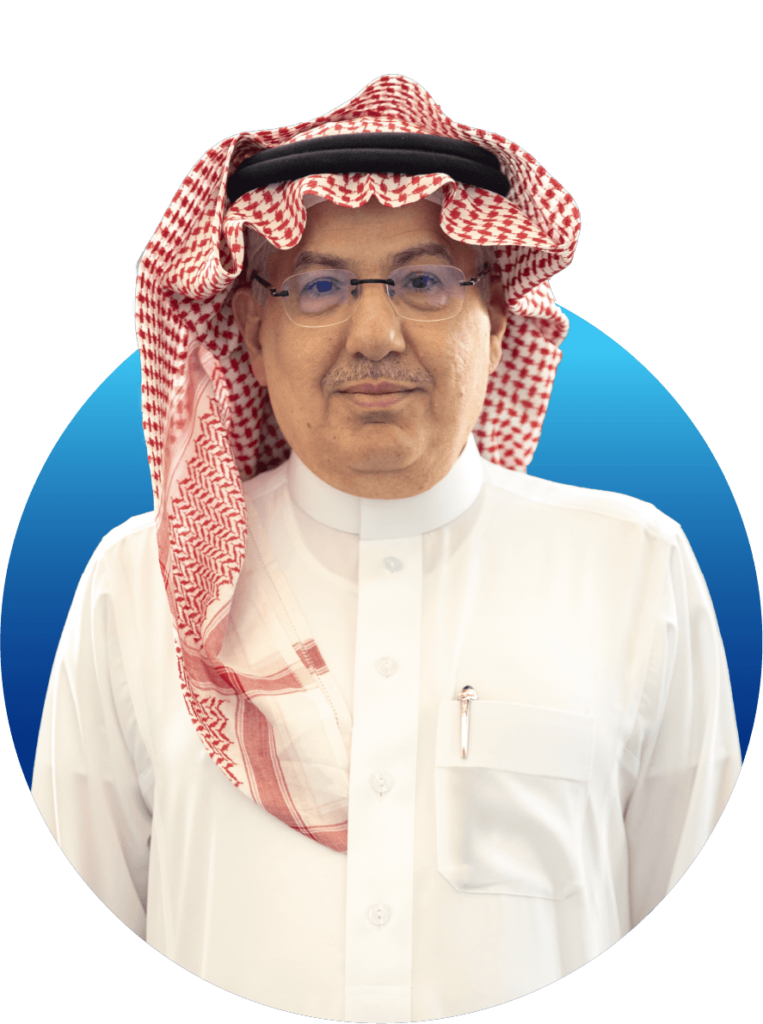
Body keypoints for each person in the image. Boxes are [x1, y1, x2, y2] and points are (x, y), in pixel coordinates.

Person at [30, 74, 742, 1022]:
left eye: (425, 282)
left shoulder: (633, 568)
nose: (375, 334)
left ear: (497, 318)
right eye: (318, 287)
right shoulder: (137, 583)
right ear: (251, 328)